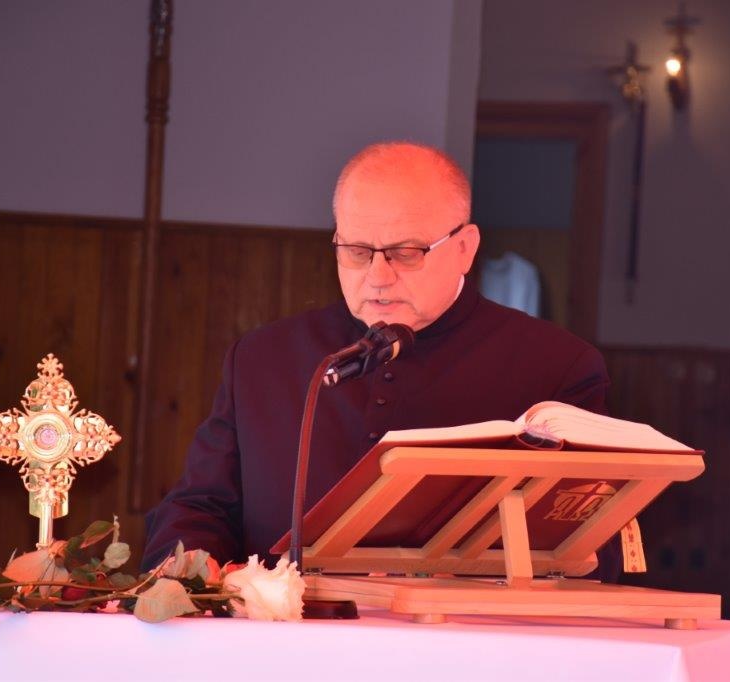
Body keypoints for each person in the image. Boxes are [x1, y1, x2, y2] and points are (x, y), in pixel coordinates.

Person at [143, 141, 616, 578]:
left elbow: (589, 542)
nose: (377, 277)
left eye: (406, 253)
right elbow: (201, 507)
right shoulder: (263, 359)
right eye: (356, 252)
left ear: (465, 249)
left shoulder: (555, 368)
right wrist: (193, 570)